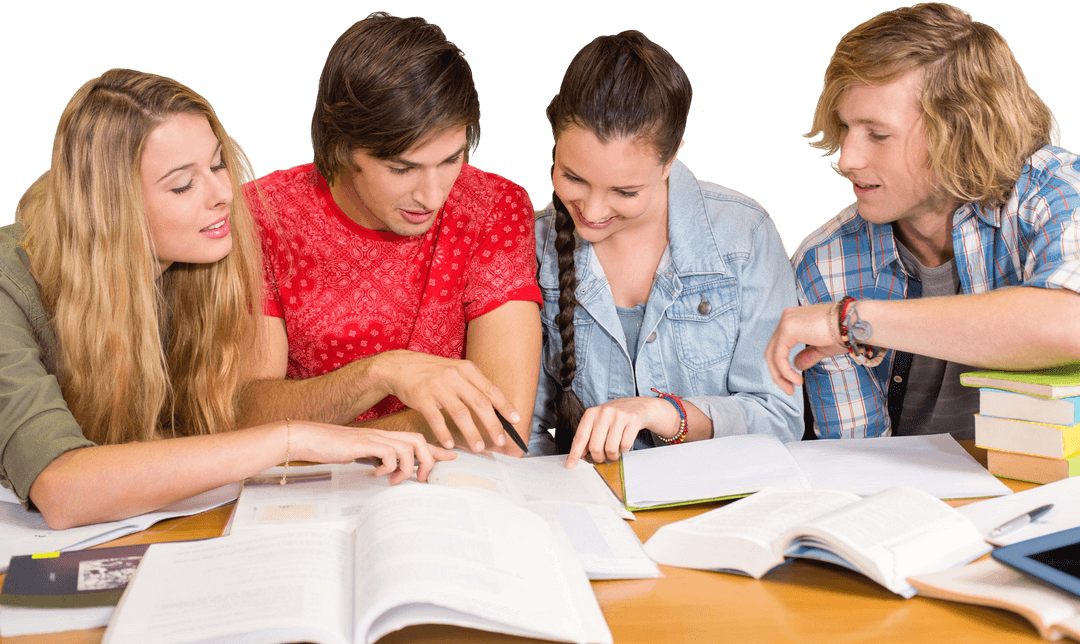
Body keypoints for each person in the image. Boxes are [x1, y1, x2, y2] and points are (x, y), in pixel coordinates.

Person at [1, 69, 453, 530]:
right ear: (109, 207)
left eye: (218, 165)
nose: (223, 195)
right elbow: (62, 491)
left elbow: (200, 432)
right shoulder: (8, 289)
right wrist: (289, 439)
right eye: (183, 185)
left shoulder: (197, 266)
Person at [765, 3, 1080, 440]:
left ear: (961, 132)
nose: (846, 159)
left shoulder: (1055, 193)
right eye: (845, 127)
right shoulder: (825, 261)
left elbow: (1069, 323)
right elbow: (857, 454)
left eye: (878, 134)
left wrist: (853, 321)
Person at [238, 12, 543, 454]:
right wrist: (380, 373)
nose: (433, 195)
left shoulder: (494, 206)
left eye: (451, 160)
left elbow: (502, 430)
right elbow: (246, 417)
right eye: (402, 168)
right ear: (342, 147)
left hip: (445, 486)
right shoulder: (262, 214)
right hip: (307, 489)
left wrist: (312, 438)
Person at [531, 31, 803, 466]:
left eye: (625, 191)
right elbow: (524, 432)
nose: (593, 211)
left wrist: (662, 414)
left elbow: (779, 419)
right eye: (573, 178)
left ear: (671, 157)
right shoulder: (533, 246)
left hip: (721, 495)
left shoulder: (743, 235)